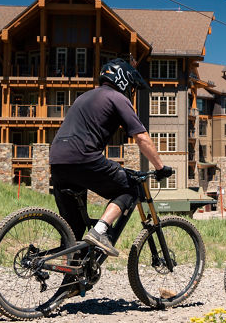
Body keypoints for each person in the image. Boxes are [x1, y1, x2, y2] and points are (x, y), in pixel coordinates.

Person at [50, 57, 173, 256]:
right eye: (131, 85)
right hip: (84, 158)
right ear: (123, 80)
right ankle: (100, 231)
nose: (130, 90)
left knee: (74, 232)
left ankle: (71, 283)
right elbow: (141, 137)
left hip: (57, 160)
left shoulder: (84, 97)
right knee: (131, 187)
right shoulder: (117, 98)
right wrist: (160, 167)